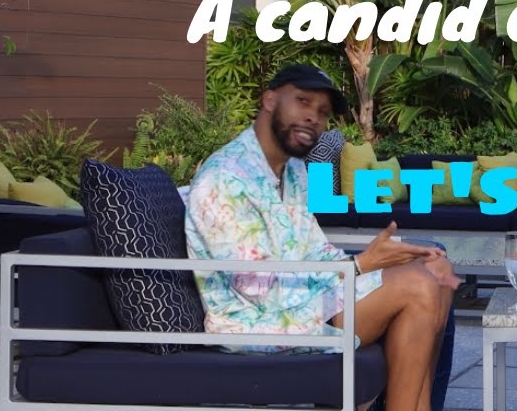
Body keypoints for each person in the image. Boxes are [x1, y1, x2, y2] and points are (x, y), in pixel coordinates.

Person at [186, 64, 460, 411]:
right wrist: (359, 266)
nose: (313, 117)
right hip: (260, 322)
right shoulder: (225, 179)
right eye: (303, 101)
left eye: (322, 112)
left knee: (436, 270)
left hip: (307, 300)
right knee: (417, 286)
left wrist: (383, 260)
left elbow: (315, 250)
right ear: (269, 100)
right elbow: (258, 290)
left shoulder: (293, 170)